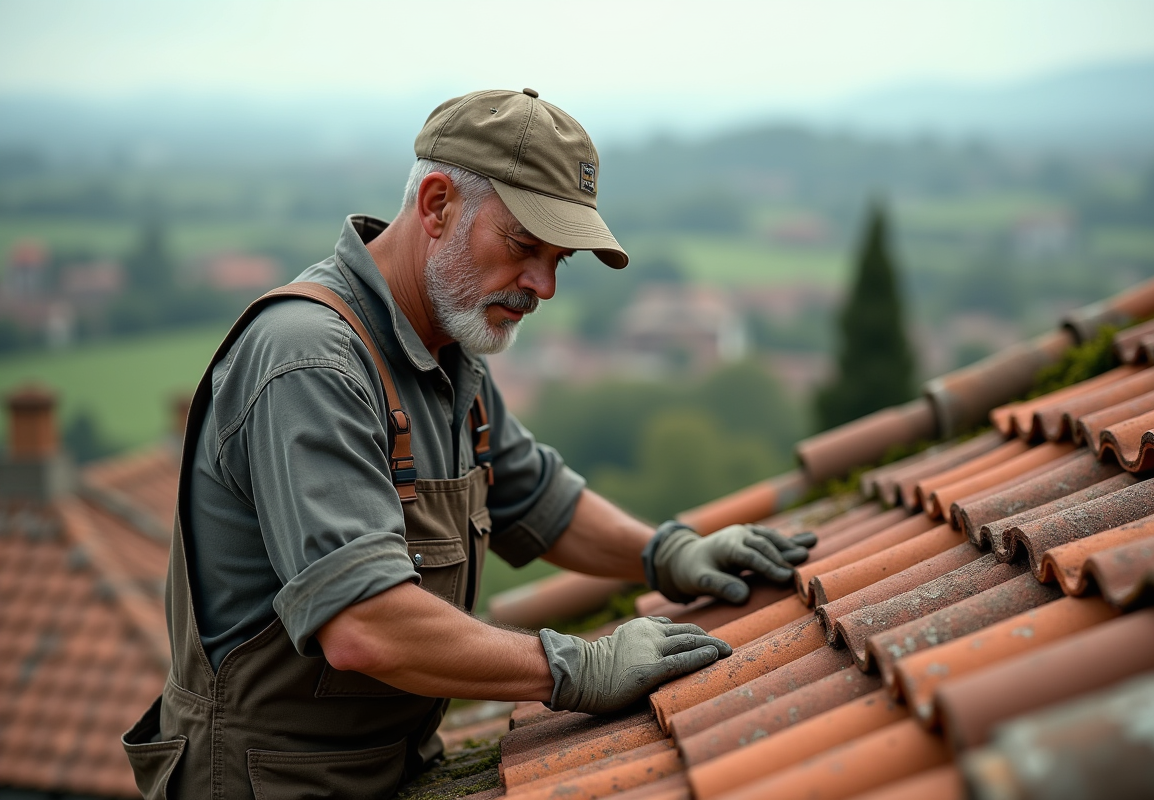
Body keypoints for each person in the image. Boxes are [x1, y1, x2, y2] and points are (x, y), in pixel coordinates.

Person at [122, 88, 816, 799]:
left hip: (384, 771)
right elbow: (364, 625)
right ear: (436, 205)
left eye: (559, 260)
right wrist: (579, 668)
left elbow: (532, 494)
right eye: (522, 245)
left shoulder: (448, 348)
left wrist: (668, 554)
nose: (542, 285)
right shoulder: (311, 362)